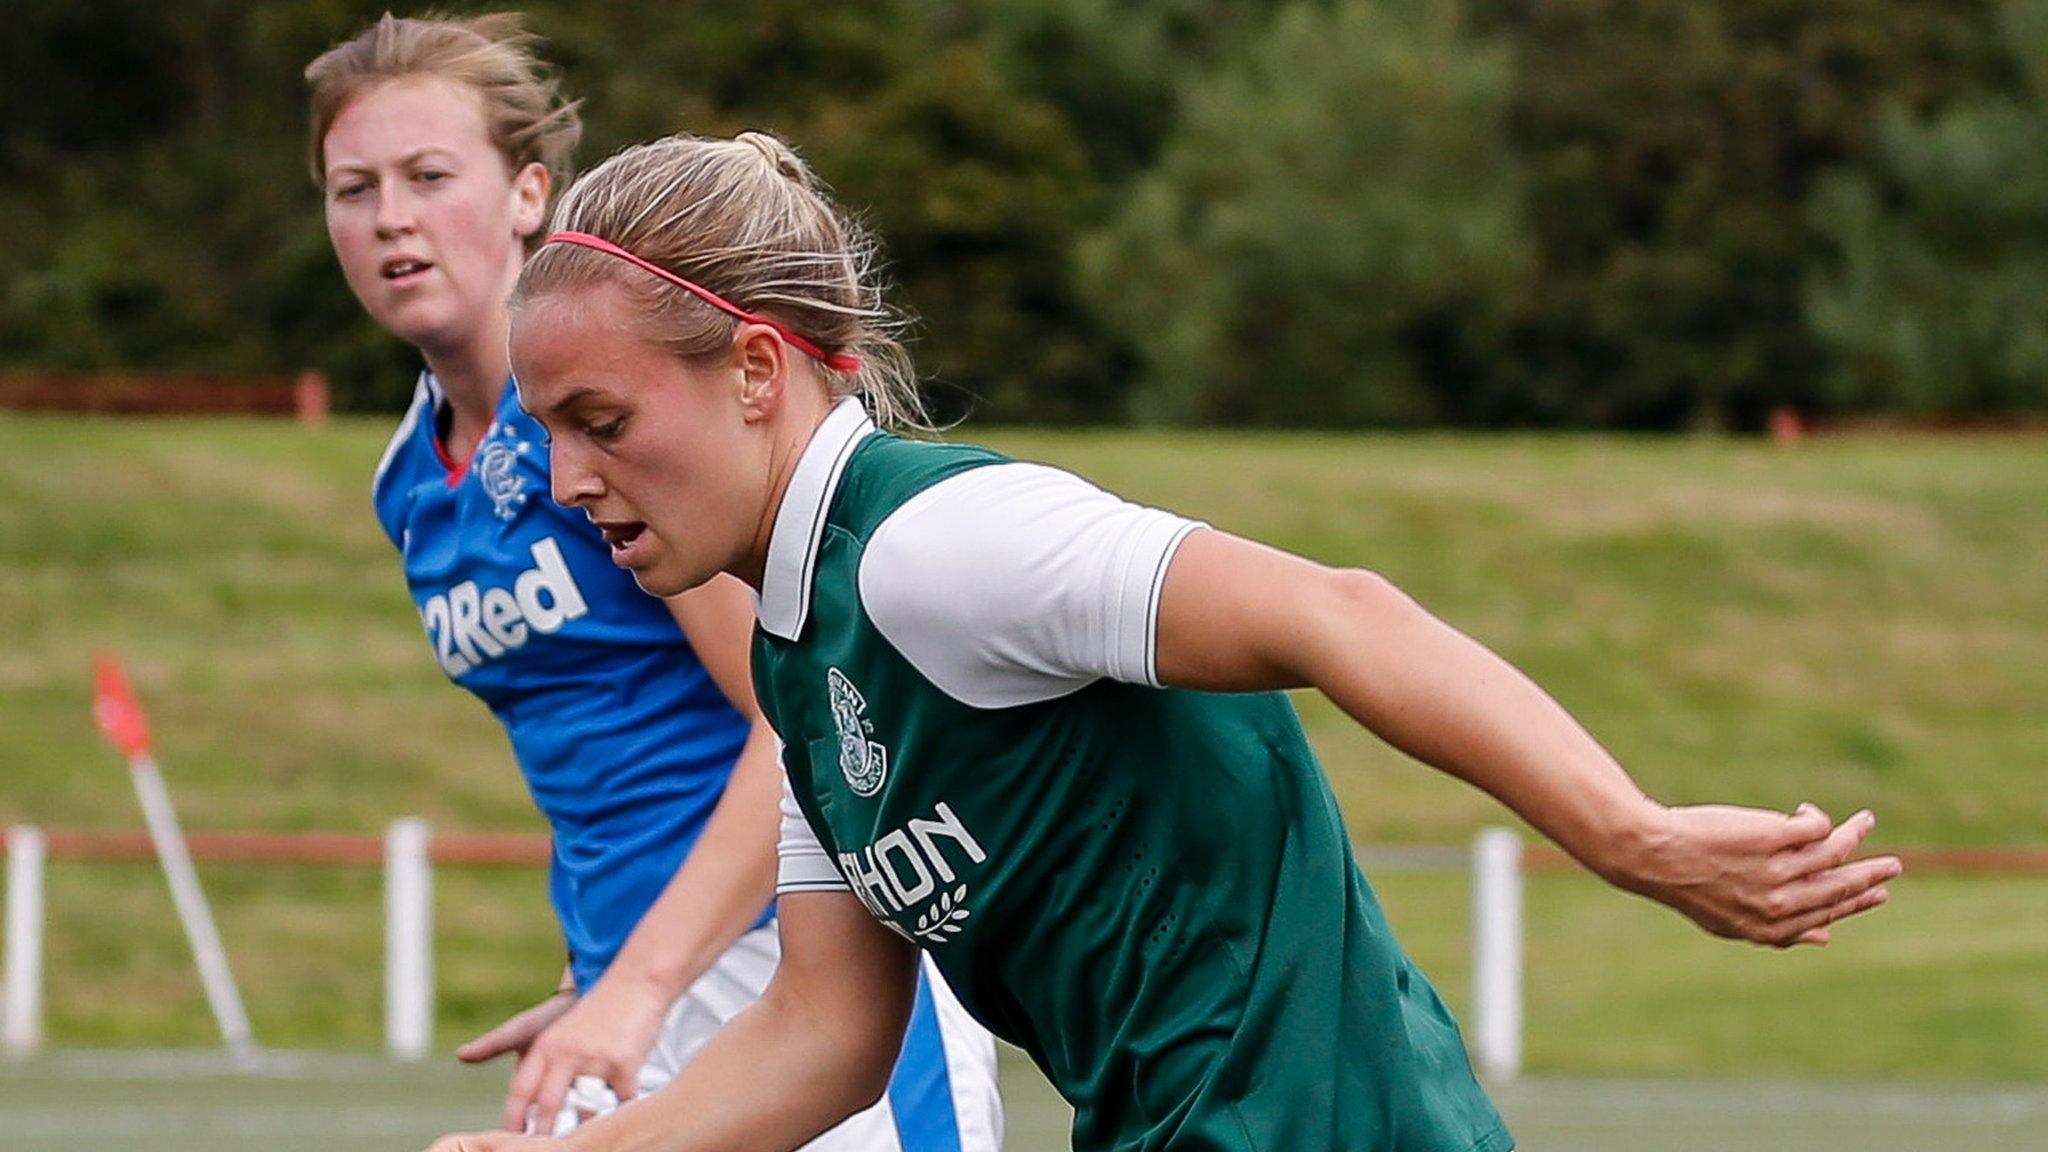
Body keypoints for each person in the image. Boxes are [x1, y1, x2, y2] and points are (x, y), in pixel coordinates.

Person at [426, 130, 1902, 1152]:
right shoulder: (802, 670)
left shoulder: (941, 544)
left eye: (600, 424)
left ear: (756, 371)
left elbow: (1342, 612)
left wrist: (1630, 837)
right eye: (547, 435)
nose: (562, 485)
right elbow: (822, 1033)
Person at [307, 17, 1001, 1147]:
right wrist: (615, 978)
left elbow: (799, 723)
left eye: (429, 177)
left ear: (529, 192)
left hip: (808, 973)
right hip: (637, 992)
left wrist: (643, 981)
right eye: (353, 187)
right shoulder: (410, 478)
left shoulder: (616, 424)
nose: (391, 216)